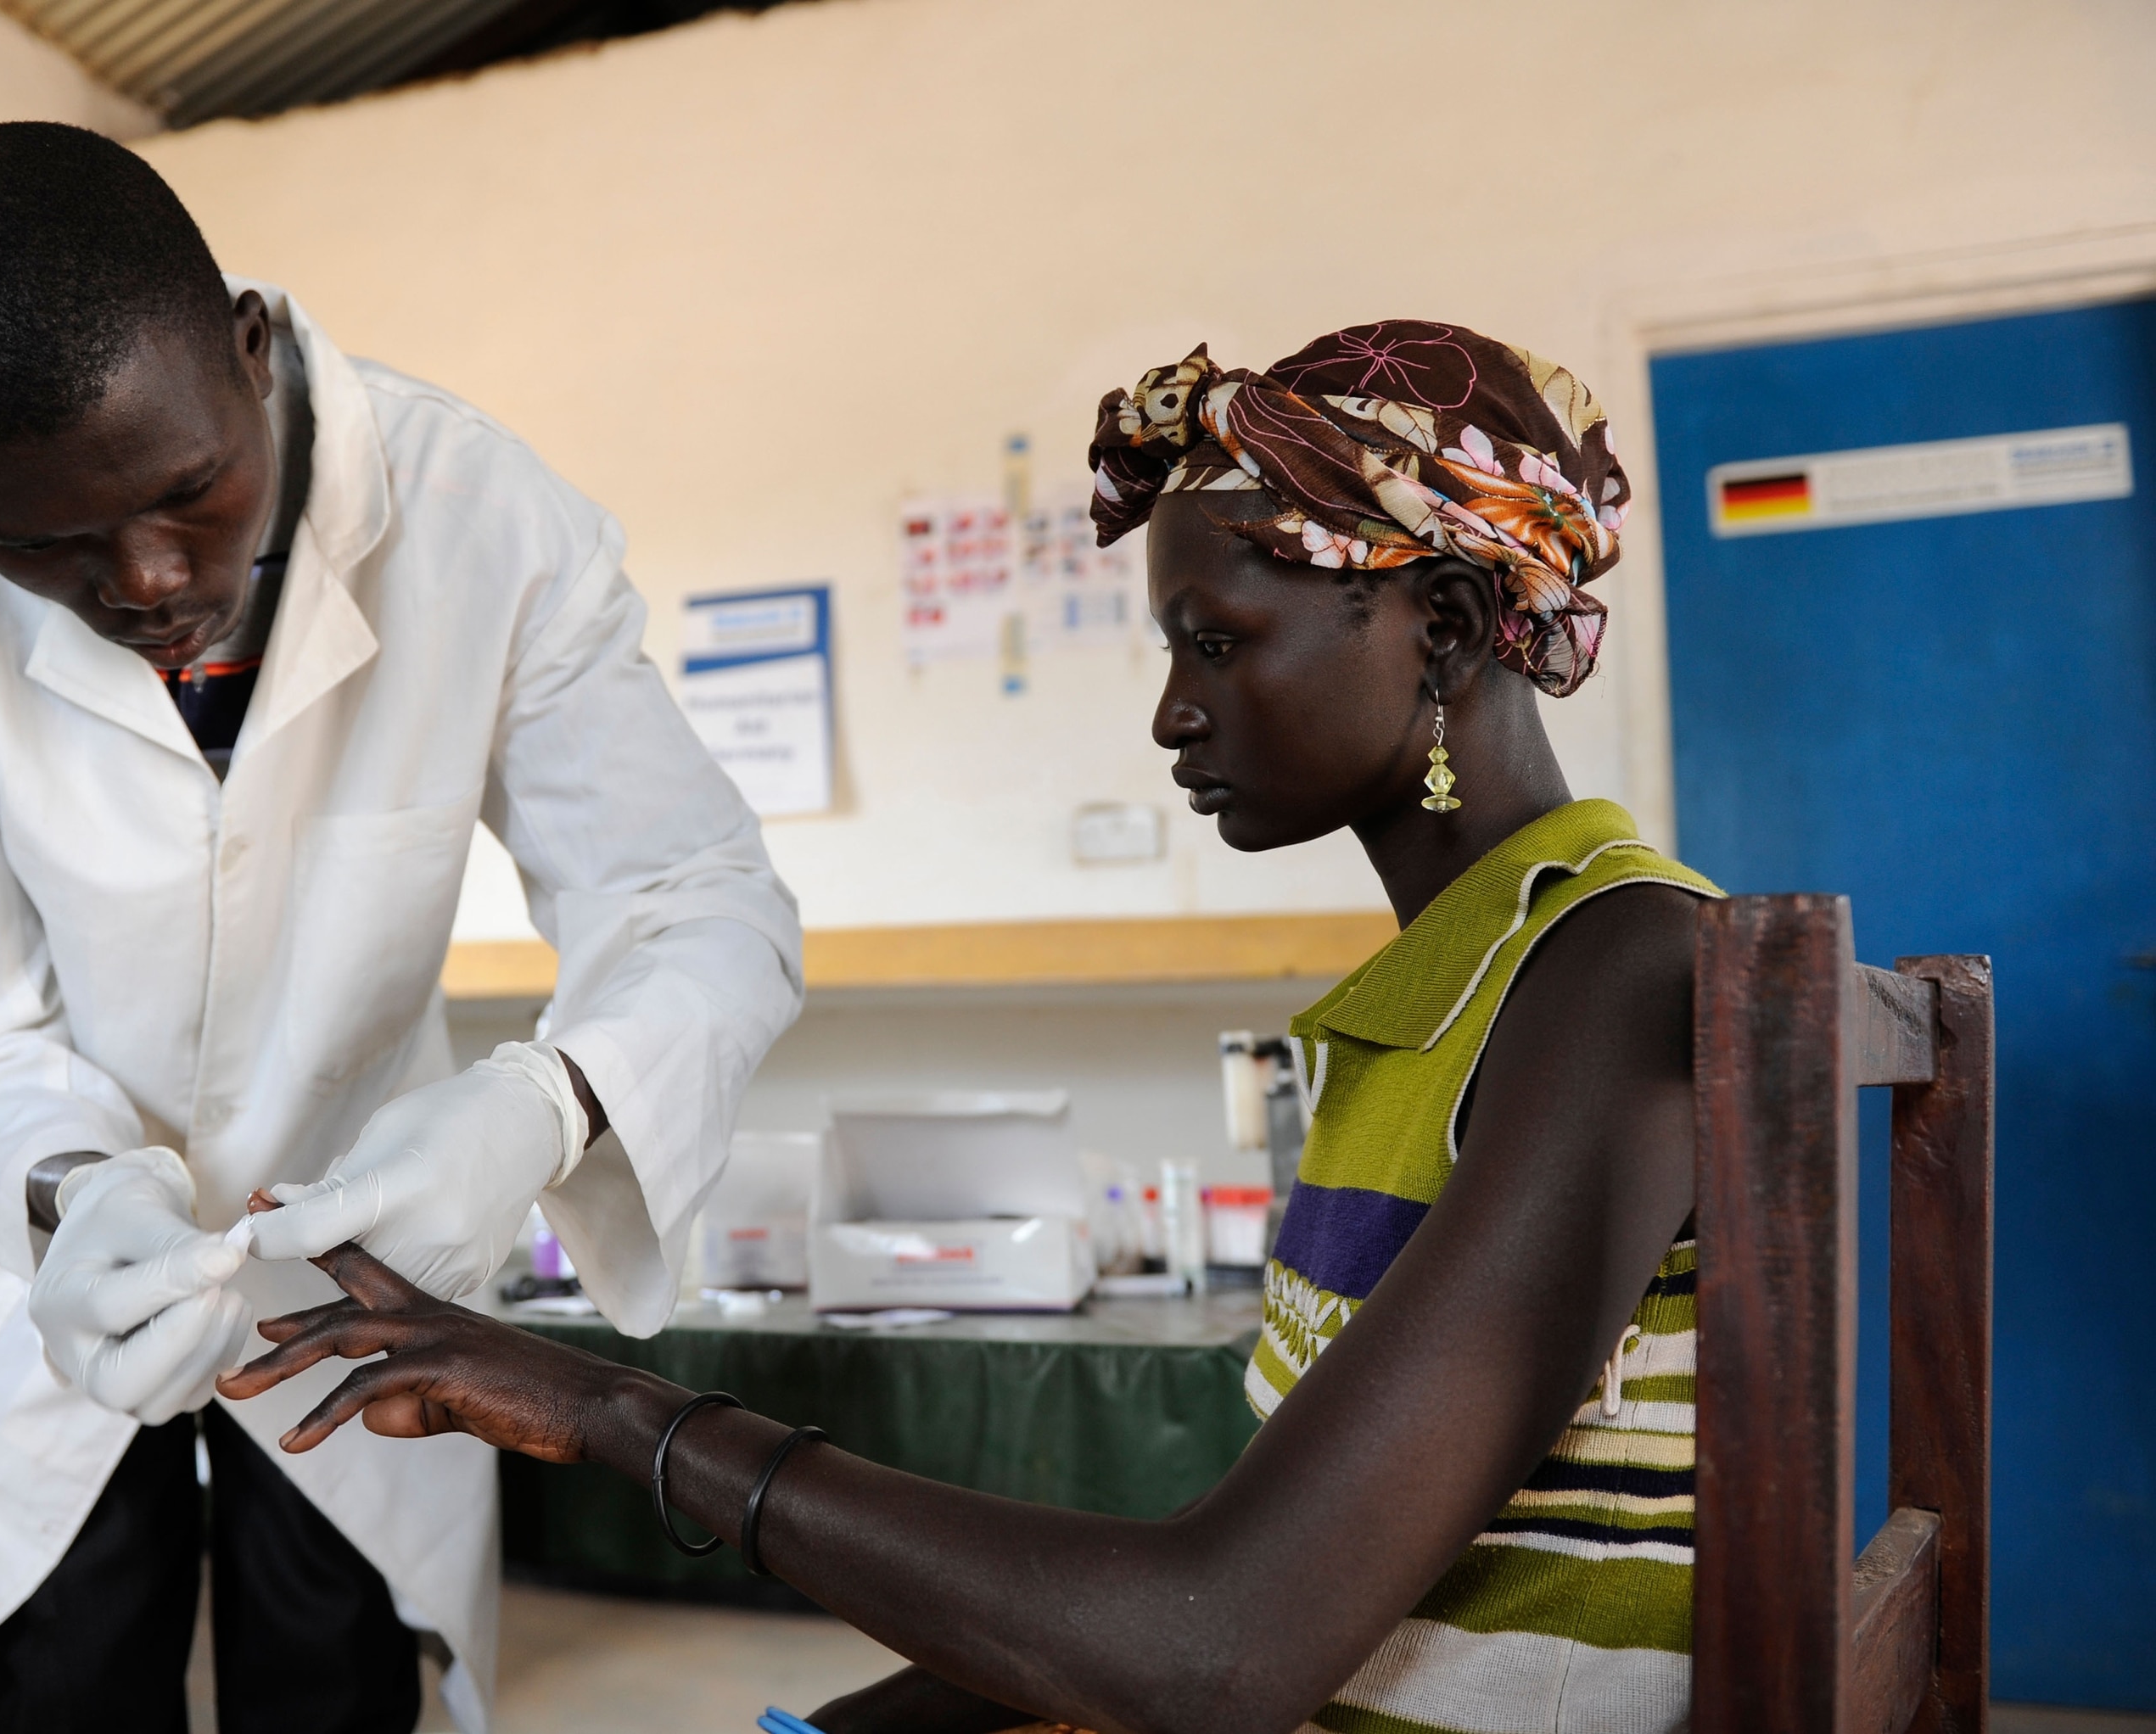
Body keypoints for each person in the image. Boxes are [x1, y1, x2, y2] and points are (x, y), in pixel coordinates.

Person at [218, 322, 1721, 1734]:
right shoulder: (1447, 995)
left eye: (1215, 643)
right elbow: (1249, 1587)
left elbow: (1217, 1644)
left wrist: (616, 1407)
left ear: (1445, 625)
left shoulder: (1612, 972)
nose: (1170, 716)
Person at [0, 122, 802, 1734]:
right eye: (43, 544)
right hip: (48, 1278)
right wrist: (67, 1192)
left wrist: (542, 1109)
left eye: (190, 491)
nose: (151, 580)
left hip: (372, 1242)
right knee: (60, 1670)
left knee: (341, 1668)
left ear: (246, 344)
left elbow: (699, 901)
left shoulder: (479, 518)